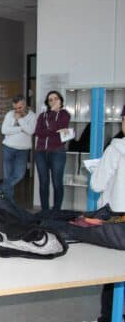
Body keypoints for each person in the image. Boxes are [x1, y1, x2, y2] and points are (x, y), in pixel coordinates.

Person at [91, 106, 125, 322]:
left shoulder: (116, 149)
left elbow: (97, 184)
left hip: (117, 217)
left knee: (114, 274)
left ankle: (108, 318)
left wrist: (96, 169)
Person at [0, 96, 36, 212]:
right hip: (8, 148)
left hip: (23, 150)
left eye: (19, 107)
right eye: (15, 108)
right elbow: (4, 130)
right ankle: (8, 205)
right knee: (7, 176)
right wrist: (21, 129)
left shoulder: (32, 116)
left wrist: (20, 120)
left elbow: (31, 131)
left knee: (19, 175)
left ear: (25, 104)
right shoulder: (9, 114)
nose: (17, 110)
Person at [34, 90, 71, 211]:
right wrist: (52, 129)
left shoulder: (65, 114)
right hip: (40, 152)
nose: (53, 101)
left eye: (55, 98)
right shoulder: (42, 115)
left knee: (57, 182)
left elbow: (54, 127)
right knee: (43, 183)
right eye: (50, 100)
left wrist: (52, 125)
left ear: (60, 101)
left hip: (57, 152)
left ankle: (56, 211)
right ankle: (45, 211)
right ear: (47, 103)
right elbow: (38, 132)